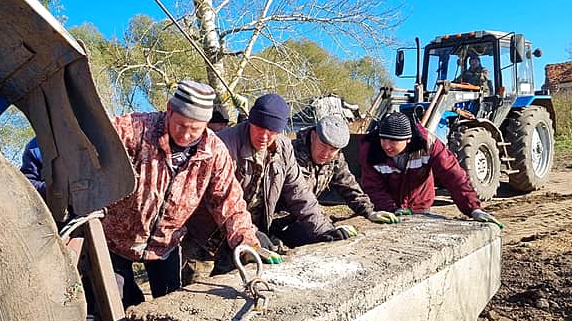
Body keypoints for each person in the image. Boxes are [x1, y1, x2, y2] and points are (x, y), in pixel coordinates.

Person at [102, 80, 269, 308]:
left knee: (169, 308)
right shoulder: (135, 129)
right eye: (181, 125)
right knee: (113, 305)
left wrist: (247, 242)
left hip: (165, 245)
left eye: (196, 129)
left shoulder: (214, 152)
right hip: (115, 241)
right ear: (169, 110)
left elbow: (230, 203)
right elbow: (90, 138)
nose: (187, 135)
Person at [183, 93, 356, 282]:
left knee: (233, 286)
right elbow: (217, 198)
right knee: (192, 290)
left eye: (272, 131)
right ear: (250, 120)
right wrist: (248, 232)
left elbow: (299, 193)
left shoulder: (283, 148)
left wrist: (323, 229)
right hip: (207, 235)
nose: (264, 136)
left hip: (246, 232)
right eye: (259, 127)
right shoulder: (223, 145)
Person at [359, 112, 503, 227]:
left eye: (393, 141)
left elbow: (453, 175)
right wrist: (391, 209)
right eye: (383, 139)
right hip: (387, 208)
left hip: (419, 205)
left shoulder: (428, 145)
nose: (386, 146)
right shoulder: (371, 150)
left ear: (408, 139)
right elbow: (373, 187)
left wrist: (473, 209)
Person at [289, 114, 400, 230]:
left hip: (300, 219)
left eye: (333, 149)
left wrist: (370, 212)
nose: (326, 153)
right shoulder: (292, 155)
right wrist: (327, 227)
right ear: (313, 136)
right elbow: (302, 198)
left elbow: (348, 185)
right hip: (278, 220)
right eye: (323, 145)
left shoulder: (335, 158)